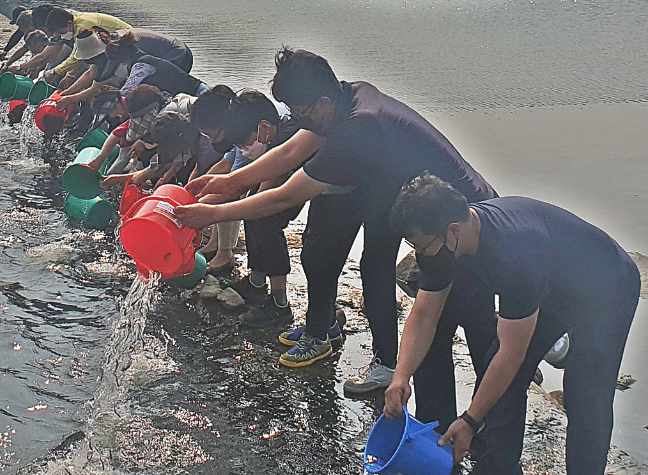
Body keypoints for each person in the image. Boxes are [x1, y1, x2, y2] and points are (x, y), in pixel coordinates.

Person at [174, 47, 497, 401]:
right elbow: (287, 152)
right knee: (376, 270)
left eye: (301, 113)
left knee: (468, 315)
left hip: (463, 217)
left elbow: (287, 195)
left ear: (322, 102)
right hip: (398, 197)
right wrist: (227, 183)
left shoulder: (358, 128)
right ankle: (395, 368)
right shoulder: (350, 98)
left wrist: (214, 213)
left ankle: (486, 411)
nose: (298, 121)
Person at [384, 173, 639, 475]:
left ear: (453, 231)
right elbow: (425, 311)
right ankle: (498, 468)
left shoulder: (512, 254)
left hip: (605, 287)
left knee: (585, 396)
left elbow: (512, 353)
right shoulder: (446, 242)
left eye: (423, 247)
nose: (421, 253)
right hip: (550, 286)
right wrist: (400, 376)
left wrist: (469, 420)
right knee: (498, 368)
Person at [219, 91, 306, 330]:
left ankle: (280, 304)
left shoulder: (286, 139)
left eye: (245, 143)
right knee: (253, 210)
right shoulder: (272, 137)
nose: (244, 150)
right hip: (293, 183)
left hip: (316, 188)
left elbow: (271, 187)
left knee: (265, 219)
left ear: (264, 128)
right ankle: (257, 282)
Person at [55, 31, 205, 110]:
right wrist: (65, 94)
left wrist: (75, 99)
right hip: (184, 92)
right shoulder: (115, 51)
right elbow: (92, 76)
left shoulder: (140, 66)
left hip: (197, 91)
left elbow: (125, 91)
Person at [188, 85, 243, 276]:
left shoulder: (249, 137)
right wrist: (195, 189)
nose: (211, 142)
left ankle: (225, 254)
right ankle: (215, 245)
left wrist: (195, 208)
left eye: (212, 135)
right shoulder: (235, 133)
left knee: (228, 197)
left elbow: (233, 187)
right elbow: (223, 166)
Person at [43, 8, 132, 87]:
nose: (61, 36)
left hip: (125, 39)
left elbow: (75, 57)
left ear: (69, 24)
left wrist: (55, 71)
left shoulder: (82, 27)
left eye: (60, 32)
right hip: (112, 41)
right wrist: (71, 75)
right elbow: (78, 53)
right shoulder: (76, 22)